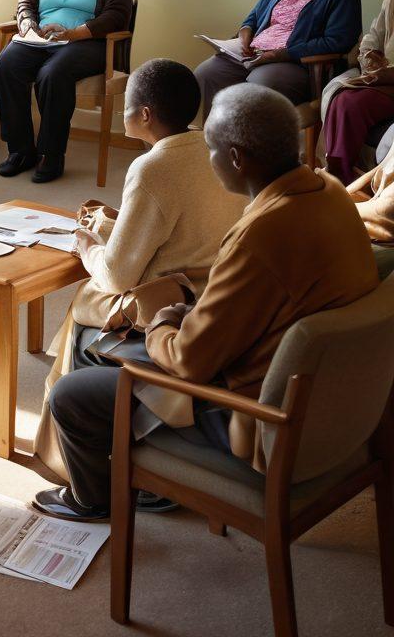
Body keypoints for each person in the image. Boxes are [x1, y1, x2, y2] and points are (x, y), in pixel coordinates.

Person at [33, 84, 379, 522]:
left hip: (253, 417)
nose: (209, 160)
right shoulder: (329, 192)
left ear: (235, 158)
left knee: (76, 386)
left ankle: (98, 497)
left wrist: (162, 322)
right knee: (126, 340)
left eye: (211, 149)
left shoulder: (261, 235)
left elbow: (190, 361)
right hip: (335, 407)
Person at [34, 59, 244, 478]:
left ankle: (92, 459)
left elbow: (118, 276)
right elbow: (178, 224)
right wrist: (114, 228)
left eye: (125, 106)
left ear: (144, 115)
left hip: (172, 304)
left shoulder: (153, 167)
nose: (122, 114)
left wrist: (87, 246)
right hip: (219, 289)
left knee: (87, 305)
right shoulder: (213, 146)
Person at [0, 0, 132, 183]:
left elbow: (117, 16)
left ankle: (51, 154)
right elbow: (26, 1)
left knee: (52, 75)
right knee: (4, 68)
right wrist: (29, 25)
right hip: (41, 38)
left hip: (87, 42)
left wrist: (74, 33)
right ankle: (20, 150)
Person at [194, 0, 362, 118]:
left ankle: (253, 146)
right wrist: (246, 31)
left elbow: (337, 42)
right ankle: (216, 140)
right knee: (208, 72)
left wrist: (283, 54)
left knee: (259, 84)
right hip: (253, 54)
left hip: (299, 65)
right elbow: (255, 15)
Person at [321, 0, 394, 183]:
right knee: (341, 97)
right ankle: (337, 174)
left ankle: (340, 180)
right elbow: (371, 40)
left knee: (350, 104)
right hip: (383, 78)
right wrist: (370, 57)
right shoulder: (392, 0)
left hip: (390, 80)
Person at [347, 151, 394, 281]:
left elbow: (385, 208)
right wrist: (343, 194)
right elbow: (378, 169)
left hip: (385, 210)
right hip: (379, 202)